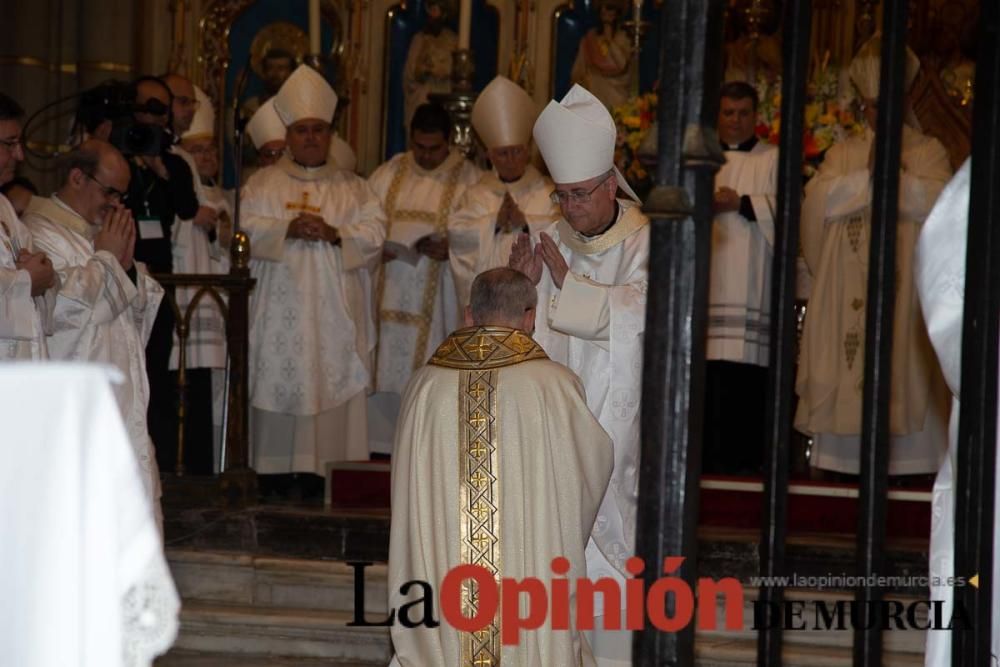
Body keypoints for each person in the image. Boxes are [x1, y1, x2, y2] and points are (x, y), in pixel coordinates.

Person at [388, 267, 614, 666]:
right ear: (530, 318)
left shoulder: (424, 386)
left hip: (444, 580)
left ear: (469, 314)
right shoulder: (554, 386)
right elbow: (589, 470)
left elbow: (406, 495)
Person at [510, 83, 646, 665]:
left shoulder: (646, 240)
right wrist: (520, 287)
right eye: (561, 195)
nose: (569, 207)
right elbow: (525, 335)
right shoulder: (549, 241)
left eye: (580, 195)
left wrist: (569, 284)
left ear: (611, 183)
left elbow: (647, 319)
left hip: (620, 425)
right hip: (555, 431)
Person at [795, 36, 952, 476]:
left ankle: (913, 463)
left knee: (905, 363)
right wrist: (870, 185)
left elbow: (941, 203)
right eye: (869, 106)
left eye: (885, 105)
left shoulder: (928, 151)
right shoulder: (843, 152)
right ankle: (842, 464)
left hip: (906, 292)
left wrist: (877, 187)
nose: (876, 115)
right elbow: (816, 203)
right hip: (845, 287)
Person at [241, 64, 385, 489]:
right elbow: (242, 228)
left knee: (334, 375)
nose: (310, 138)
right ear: (287, 134)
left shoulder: (355, 188)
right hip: (277, 321)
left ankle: (326, 476)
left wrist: (336, 234)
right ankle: (272, 477)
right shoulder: (261, 185)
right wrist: (283, 229)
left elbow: (376, 233)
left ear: (330, 134)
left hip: (333, 325)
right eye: (302, 129)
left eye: (318, 129)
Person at [22, 139, 165, 526]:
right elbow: (62, 312)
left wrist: (128, 267)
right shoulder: (38, 234)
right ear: (77, 177)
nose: (116, 204)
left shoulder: (97, 232)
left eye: (122, 194)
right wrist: (107, 259)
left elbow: (131, 320)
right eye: (110, 192)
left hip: (121, 398)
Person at [367, 102, 481, 455]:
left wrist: (452, 248)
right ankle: (379, 451)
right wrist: (375, 246)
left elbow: (480, 235)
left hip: (440, 298)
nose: (427, 157)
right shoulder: (388, 173)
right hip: (389, 292)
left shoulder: (469, 178)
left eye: (434, 149)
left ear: (449, 141)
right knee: (384, 373)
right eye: (420, 148)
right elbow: (364, 223)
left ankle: (425, 452)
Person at [125, 75, 202, 474]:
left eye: (161, 108)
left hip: (160, 277)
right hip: (119, 272)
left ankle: (156, 460)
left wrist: (159, 168)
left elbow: (188, 208)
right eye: (145, 107)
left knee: (155, 372)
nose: (152, 117)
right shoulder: (114, 154)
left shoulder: (173, 161)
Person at [702, 80, 778, 475]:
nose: (735, 120)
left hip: (752, 289)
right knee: (708, 382)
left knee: (745, 387)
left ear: (756, 116)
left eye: (743, 113)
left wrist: (744, 202)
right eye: (728, 112)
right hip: (709, 282)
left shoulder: (772, 159)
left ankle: (745, 469)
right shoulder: (703, 159)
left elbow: (789, 213)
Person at [449, 75, 559, 311]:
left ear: (527, 151)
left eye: (517, 152)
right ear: (489, 155)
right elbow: (457, 236)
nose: (511, 160)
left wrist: (527, 223)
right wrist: (493, 223)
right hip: (491, 301)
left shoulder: (548, 191)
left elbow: (564, 233)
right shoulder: (475, 193)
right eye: (503, 153)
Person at [178, 84, 233, 470]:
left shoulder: (228, 196)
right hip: (191, 301)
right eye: (197, 150)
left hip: (222, 302)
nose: (208, 156)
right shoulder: (183, 198)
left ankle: (217, 462)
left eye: (211, 149)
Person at [0, 92, 55, 361]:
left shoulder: (4, 206)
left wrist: (41, 269)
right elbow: (27, 281)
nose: (20, 155)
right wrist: (27, 280)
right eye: (10, 144)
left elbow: (36, 274)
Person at [402, 0, 457, 133]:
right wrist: (423, 71)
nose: (431, 15)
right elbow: (410, 75)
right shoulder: (419, 40)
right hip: (421, 99)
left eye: (435, 10)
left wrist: (440, 71)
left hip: (443, 98)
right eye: (430, 9)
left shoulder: (453, 41)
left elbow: (455, 71)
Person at [570, 0, 633, 111]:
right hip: (593, 99)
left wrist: (609, 41)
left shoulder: (623, 38)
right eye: (601, 7)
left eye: (608, 7)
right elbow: (577, 72)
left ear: (617, 12)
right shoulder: (590, 39)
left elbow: (622, 65)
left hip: (616, 100)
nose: (604, 10)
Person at [246, 98, 287, 171]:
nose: (276, 162)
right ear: (259, 160)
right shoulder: (253, 182)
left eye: (282, 155)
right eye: (269, 155)